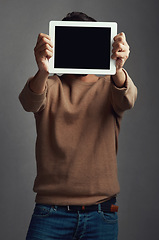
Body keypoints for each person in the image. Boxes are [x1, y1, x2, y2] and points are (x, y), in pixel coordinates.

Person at [19, 12, 137, 240]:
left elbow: (127, 99)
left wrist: (118, 69)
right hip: (50, 212)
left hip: (101, 213)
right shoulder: (49, 85)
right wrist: (43, 70)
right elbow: (28, 102)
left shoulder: (111, 85)